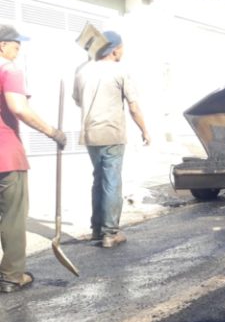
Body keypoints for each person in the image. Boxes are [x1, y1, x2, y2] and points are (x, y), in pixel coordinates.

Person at [0, 25, 66, 293]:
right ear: (2, 45)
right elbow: (18, 107)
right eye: (15, 44)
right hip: (6, 156)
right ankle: (12, 275)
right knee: (13, 217)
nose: (19, 49)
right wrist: (52, 131)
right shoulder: (9, 69)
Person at [73, 30, 150, 248]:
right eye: (122, 47)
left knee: (99, 179)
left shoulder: (82, 71)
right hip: (112, 133)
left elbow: (78, 100)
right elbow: (133, 107)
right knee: (112, 181)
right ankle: (110, 233)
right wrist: (144, 130)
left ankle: (97, 229)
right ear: (115, 50)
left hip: (90, 134)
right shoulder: (120, 72)